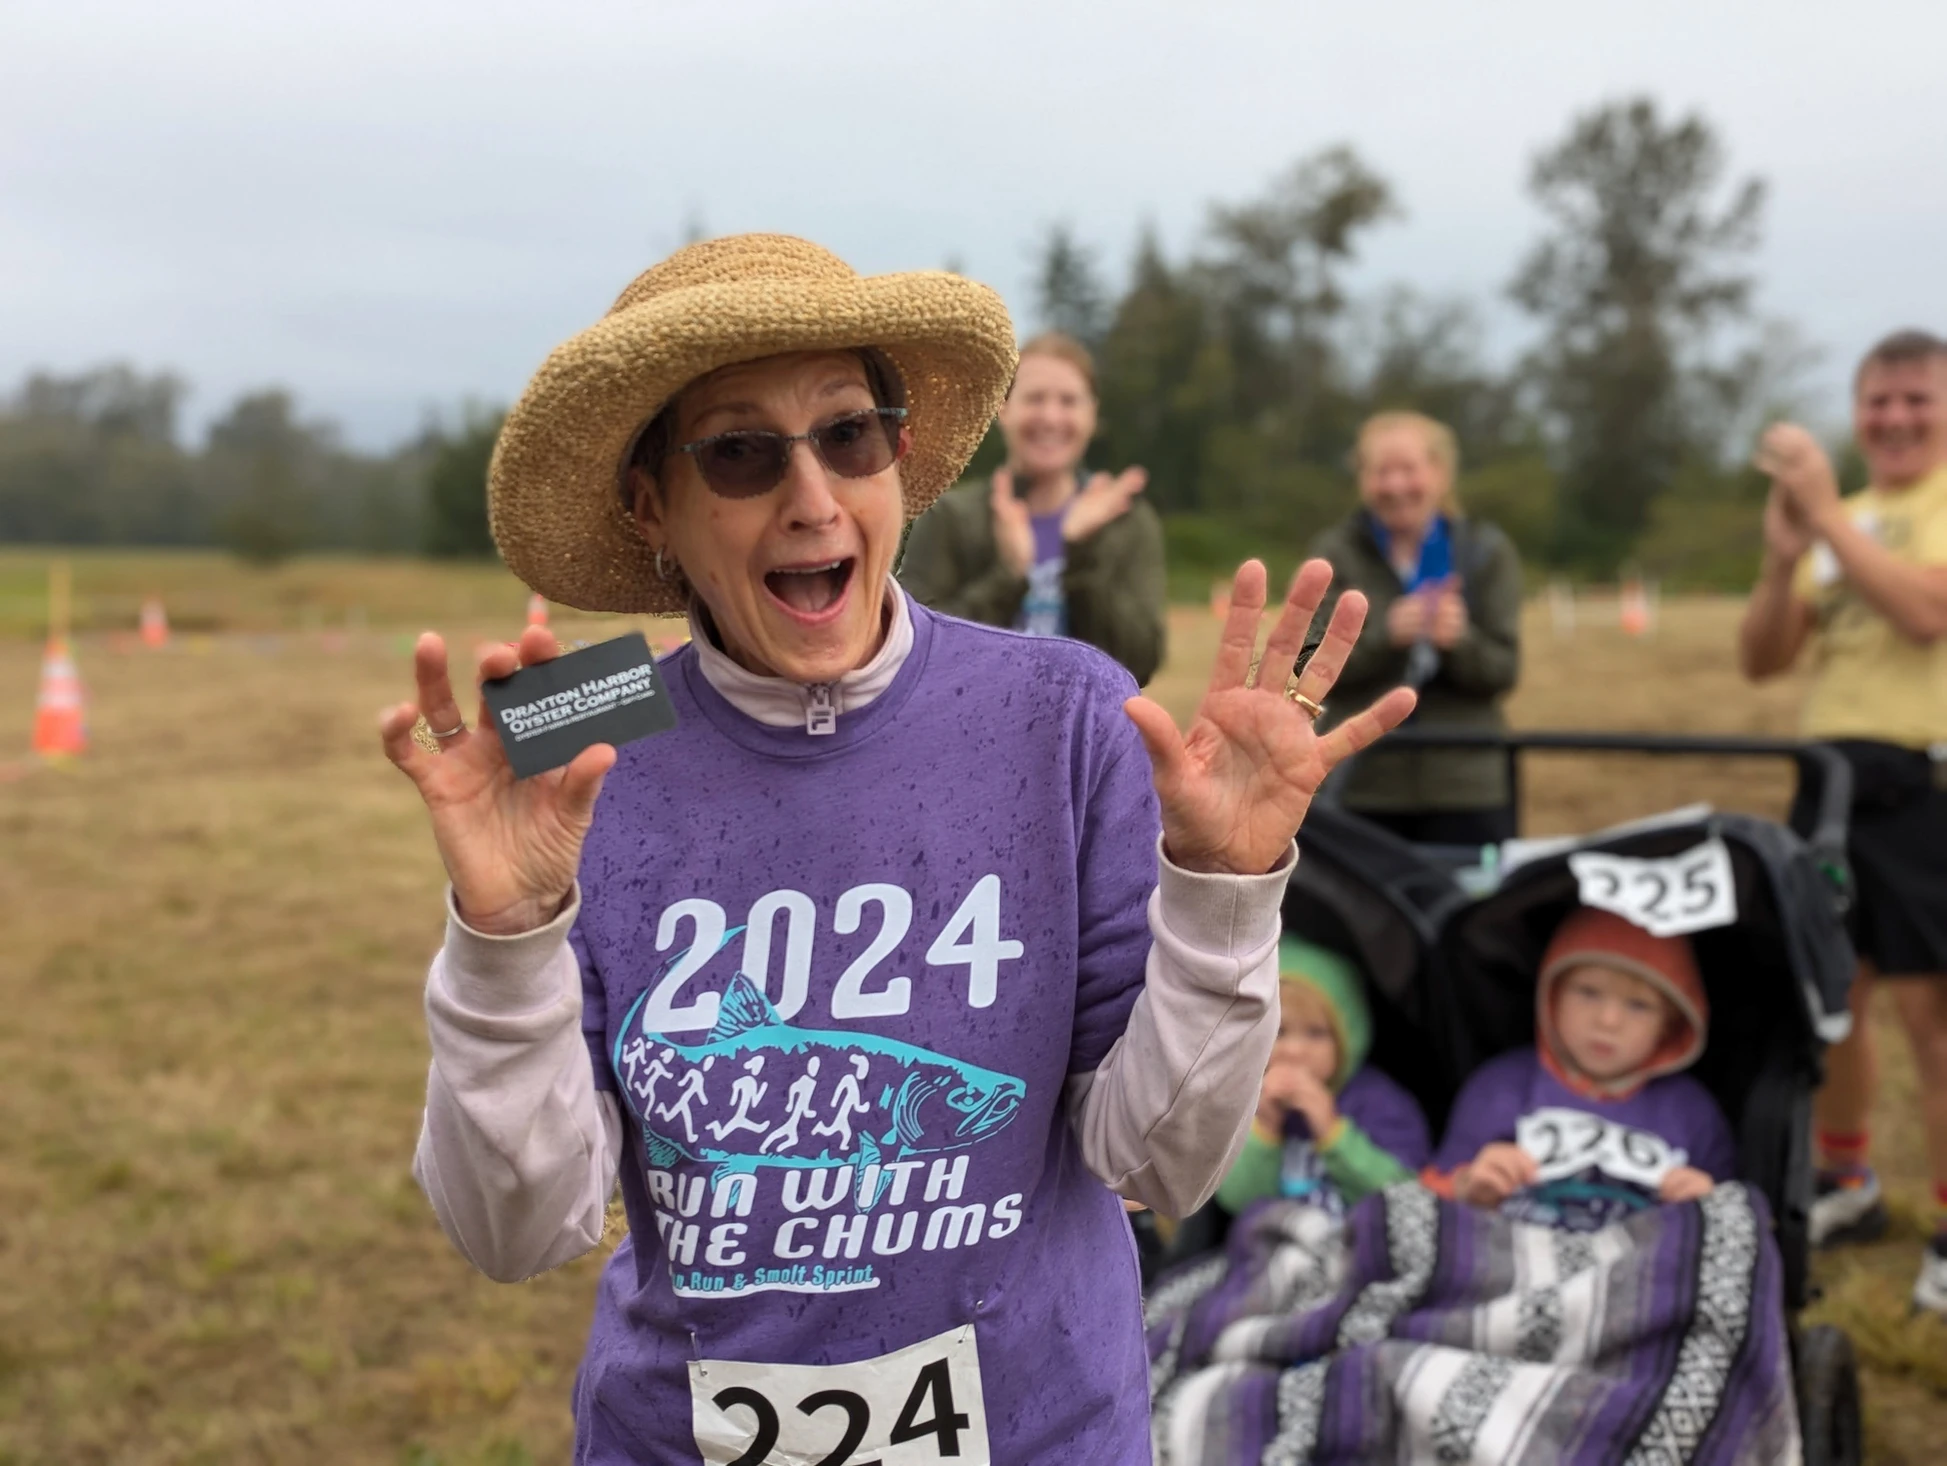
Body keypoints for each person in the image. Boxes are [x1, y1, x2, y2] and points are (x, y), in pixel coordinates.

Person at [379, 235, 1416, 1464]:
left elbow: (1165, 1160)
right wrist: (502, 944)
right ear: (651, 505)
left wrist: (1226, 897)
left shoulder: (1063, 710)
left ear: (902, 458)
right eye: (741, 452)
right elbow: (519, 1229)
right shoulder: (585, 747)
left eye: (850, 435)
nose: (811, 497)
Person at [1737, 328, 1947, 1317]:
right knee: (1836, 1000)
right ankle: (1850, 1181)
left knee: (1932, 1019)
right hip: (1828, 783)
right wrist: (1785, 562)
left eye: (1919, 399)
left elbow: (1922, 611)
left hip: (1927, 785)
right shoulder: (1845, 517)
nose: (1897, 418)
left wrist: (1823, 514)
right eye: (1879, 401)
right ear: (1856, 409)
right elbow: (1764, 659)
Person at [1428, 905, 1735, 1232]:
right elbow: (1427, 1202)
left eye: (1638, 1005)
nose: (1608, 1021)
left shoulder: (1694, 1112)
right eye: (1588, 993)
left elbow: (1737, 1231)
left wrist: (1708, 1208)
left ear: (1671, 1024)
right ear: (1551, 995)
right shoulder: (1498, 1087)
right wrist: (1468, 1190)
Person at [898, 331, 1167, 684]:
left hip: (1087, 735)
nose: (1051, 417)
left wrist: (1081, 554)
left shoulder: (1125, 521)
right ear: (1003, 409)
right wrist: (1008, 577)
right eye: (1035, 399)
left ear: (1092, 414)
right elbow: (915, 655)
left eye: (1069, 401)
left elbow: (1140, 661)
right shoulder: (950, 517)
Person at [1306, 410, 1523, 845]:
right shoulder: (1336, 553)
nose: (1395, 486)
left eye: (1409, 469)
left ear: (1441, 474)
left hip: (1467, 789)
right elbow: (1306, 668)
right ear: (1362, 479)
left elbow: (1504, 671)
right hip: (1360, 787)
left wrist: (1460, 642)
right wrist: (1386, 635)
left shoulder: (1485, 552)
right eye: (1380, 472)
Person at [1214, 937, 1430, 1217]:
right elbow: (1236, 1200)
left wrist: (1332, 1132)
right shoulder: (1246, 1098)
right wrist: (1265, 1124)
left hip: (1360, 1251)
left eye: (1316, 1033)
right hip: (1276, 1248)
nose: (1294, 1051)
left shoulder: (1379, 1101)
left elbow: (1407, 1201)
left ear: (1347, 1039)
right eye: (1279, 1032)